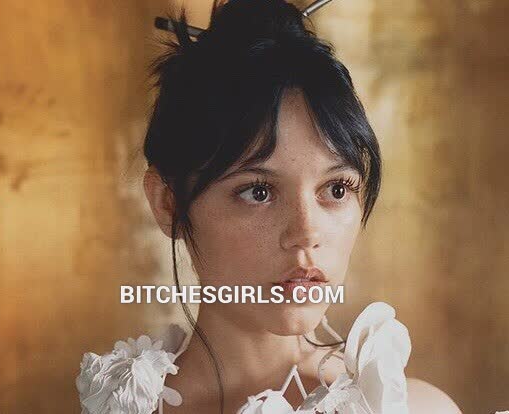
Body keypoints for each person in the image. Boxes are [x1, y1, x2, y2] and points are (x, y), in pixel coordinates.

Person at [76, 1, 463, 413]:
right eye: (258, 192)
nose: (306, 233)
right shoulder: (119, 405)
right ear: (168, 203)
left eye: (336, 189)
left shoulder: (413, 408)